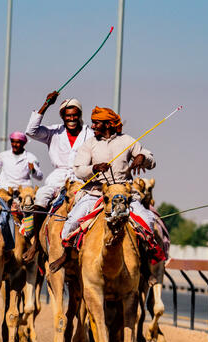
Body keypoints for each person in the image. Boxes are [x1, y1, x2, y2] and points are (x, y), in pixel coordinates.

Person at [49, 106, 157, 272]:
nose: (92, 126)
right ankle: (66, 254)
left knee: (147, 221)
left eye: (96, 123)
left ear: (108, 124)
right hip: (96, 193)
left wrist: (142, 158)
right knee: (71, 221)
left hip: (123, 193)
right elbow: (78, 169)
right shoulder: (89, 144)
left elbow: (151, 160)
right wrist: (94, 168)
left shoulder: (127, 141)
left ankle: (145, 263)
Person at [22, 91, 94, 262]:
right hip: (58, 177)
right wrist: (46, 104)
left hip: (81, 179)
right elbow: (31, 131)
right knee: (41, 196)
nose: (71, 118)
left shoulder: (89, 134)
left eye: (75, 115)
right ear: (63, 116)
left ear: (79, 115)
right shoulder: (54, 131)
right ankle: (36, 245)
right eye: (68, 115)